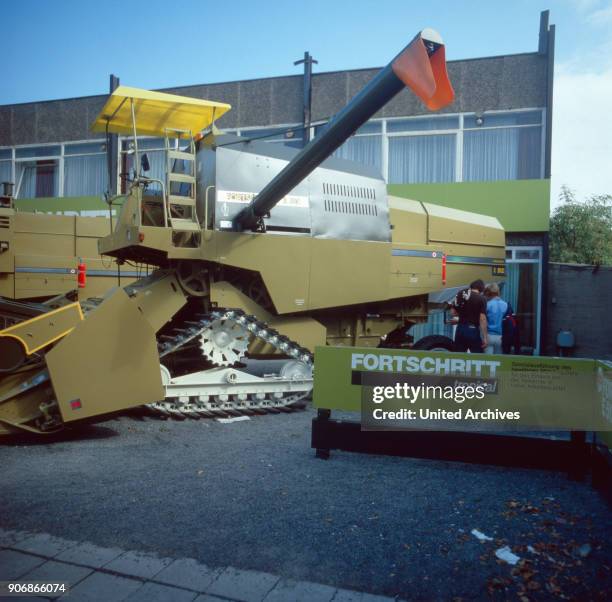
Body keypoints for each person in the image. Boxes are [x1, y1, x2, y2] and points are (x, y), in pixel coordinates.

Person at [450, 279, 487, 353]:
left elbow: (453, 312)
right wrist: (485, 337)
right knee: (477, 357)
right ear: (481, 289)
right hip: (473, 330)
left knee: (459, 356)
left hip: (460, 328)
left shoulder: (460, 294)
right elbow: (482, 318)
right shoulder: (481, 299)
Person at [484, 283, 508, 355]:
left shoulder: (487, 305)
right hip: (501, 337)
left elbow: (483, 321)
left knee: (488, 362)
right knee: (498, 362)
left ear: (488, 293)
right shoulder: (505, 305)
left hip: (489, 335)